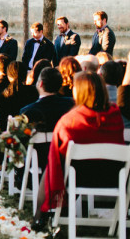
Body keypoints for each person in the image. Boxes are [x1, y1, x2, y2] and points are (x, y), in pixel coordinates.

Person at [31, 71, 124, 231]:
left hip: (79, 178)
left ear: (79, 92)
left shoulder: (71, 121)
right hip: (114, 177)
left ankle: (39, 217)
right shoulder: (115, 116)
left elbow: (58, 151)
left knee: (51, 167)